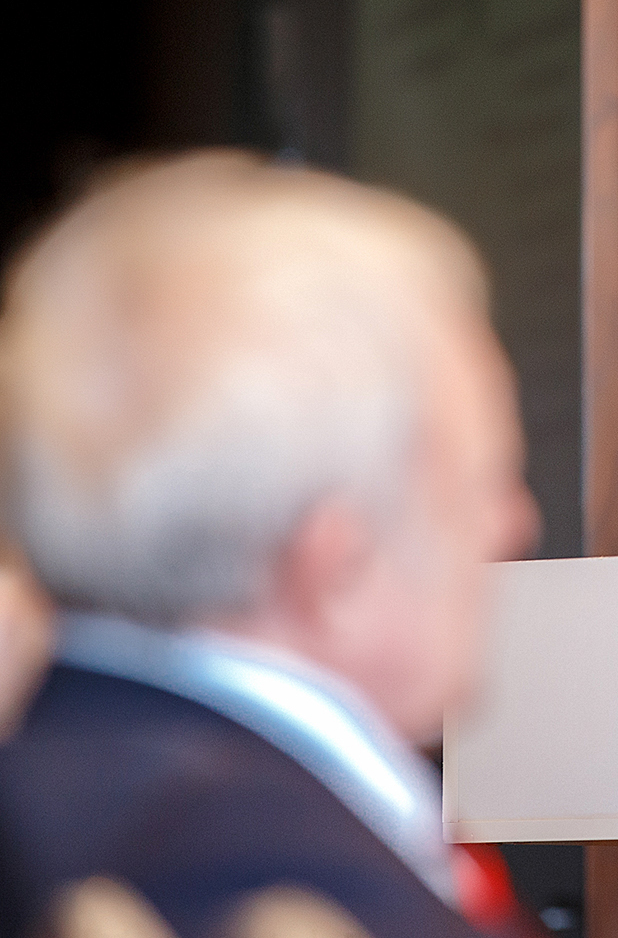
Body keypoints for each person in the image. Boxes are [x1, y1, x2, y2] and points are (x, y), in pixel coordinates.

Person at [0, 152, 540, 938]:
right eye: (484, 488)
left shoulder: (47, 785)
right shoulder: (283, 890)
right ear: (336, 571)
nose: (517, 524)